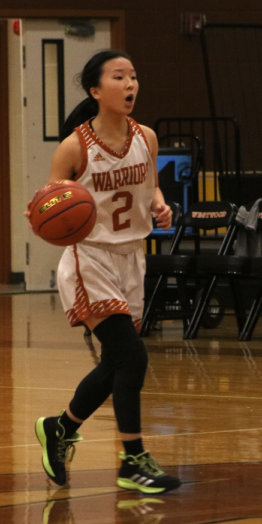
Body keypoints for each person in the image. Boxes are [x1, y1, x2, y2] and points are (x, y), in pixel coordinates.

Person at [29, 50, 181, 493]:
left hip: (132, 257)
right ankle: (132, 460)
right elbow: (50, 203)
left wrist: (159, 205)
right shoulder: (74, 146)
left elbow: (150, 187)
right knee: (133, 356)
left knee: (116, 362)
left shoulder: (146, 137)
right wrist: (39, 212)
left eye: (134, 76)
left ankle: (59, 428)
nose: (130, 84)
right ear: (96, 90)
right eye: (119, 77)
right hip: (88, 257)